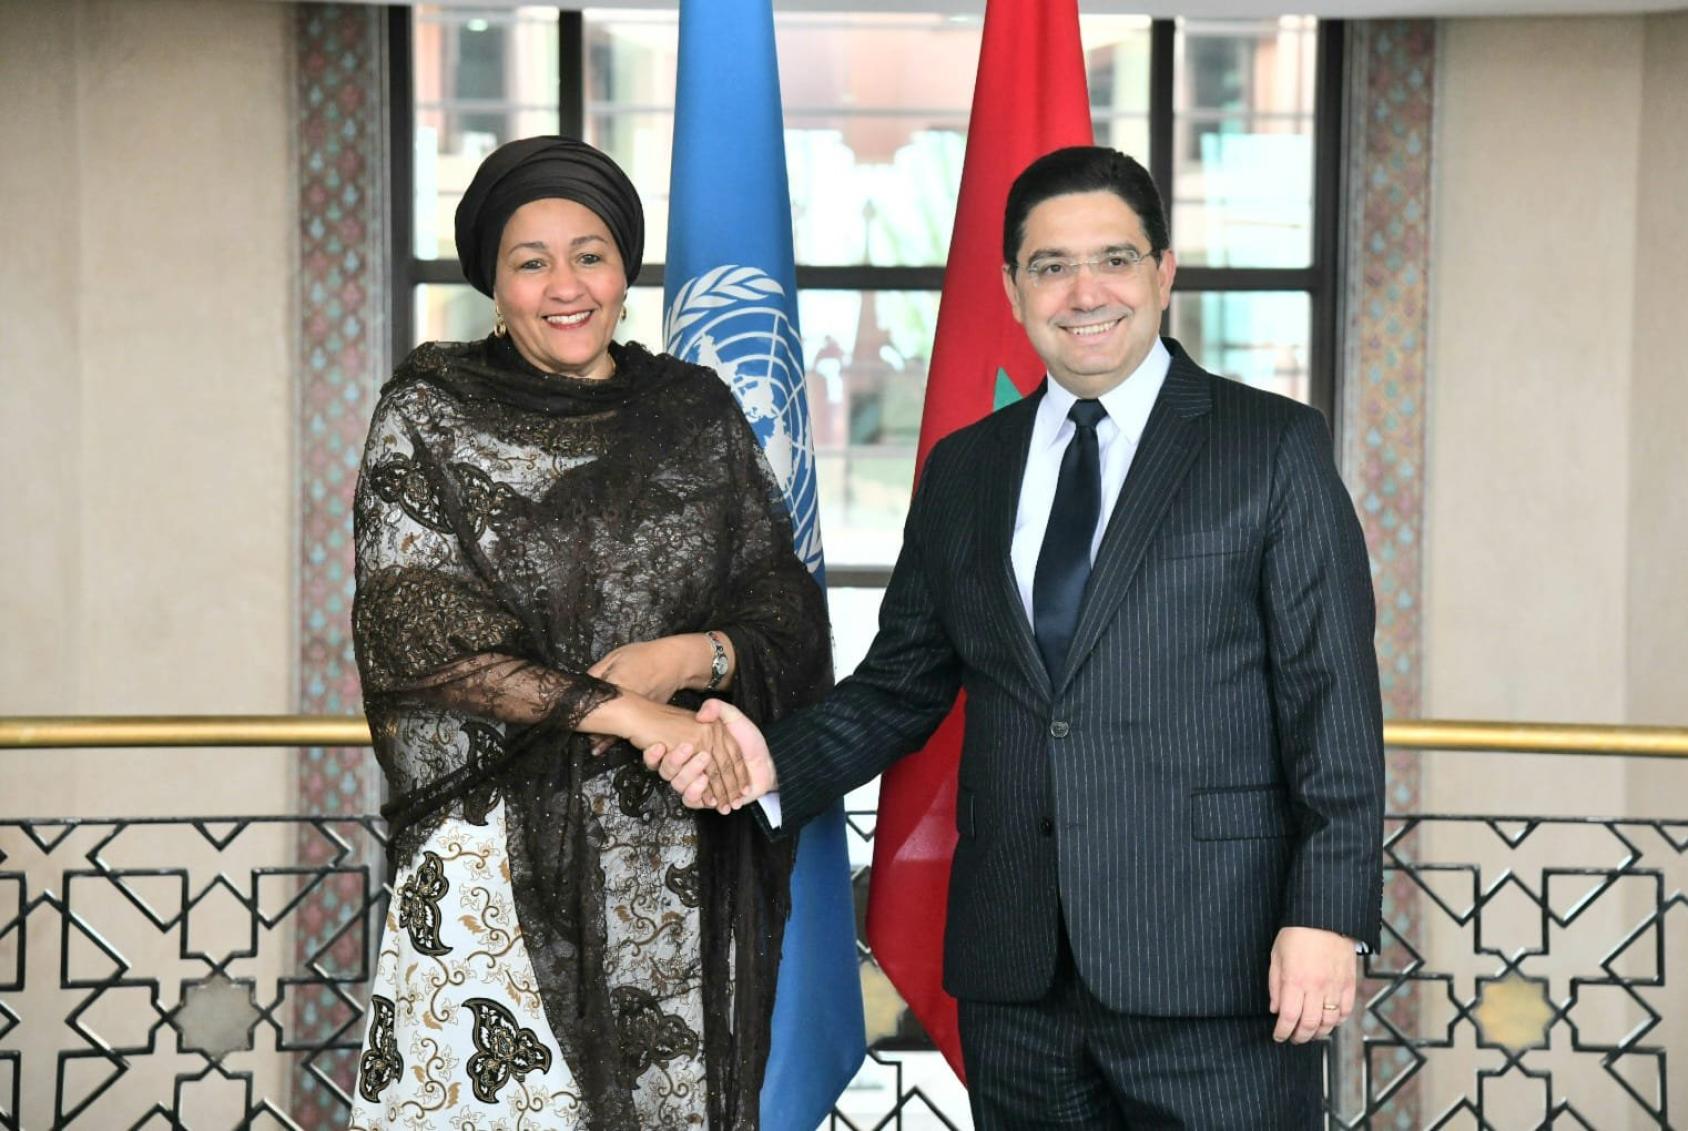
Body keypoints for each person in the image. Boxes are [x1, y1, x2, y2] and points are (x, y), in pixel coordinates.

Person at [650, 146, 1385, 1128]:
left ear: (1163, 271)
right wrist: (766, 761)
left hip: (1220, 963)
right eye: (1051, 266)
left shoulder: (1271, 446)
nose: (1085, 292)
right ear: (1011, 288)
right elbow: (901, 685)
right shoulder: (967, 468)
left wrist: (1327, 916)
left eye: (1114, 259)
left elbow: (1332, 706)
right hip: (1018, 978)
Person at [346, 136, 829, 1130]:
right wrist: (642, 714)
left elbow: (784, 608)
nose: (565, 286)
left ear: (623, 271)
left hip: (673, 862)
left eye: (590, 255)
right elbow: (420, 632)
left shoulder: (693, 410)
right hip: (489, 866)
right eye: (532, 262)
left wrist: (688, 657)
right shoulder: (429, 413)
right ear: (494, 282)